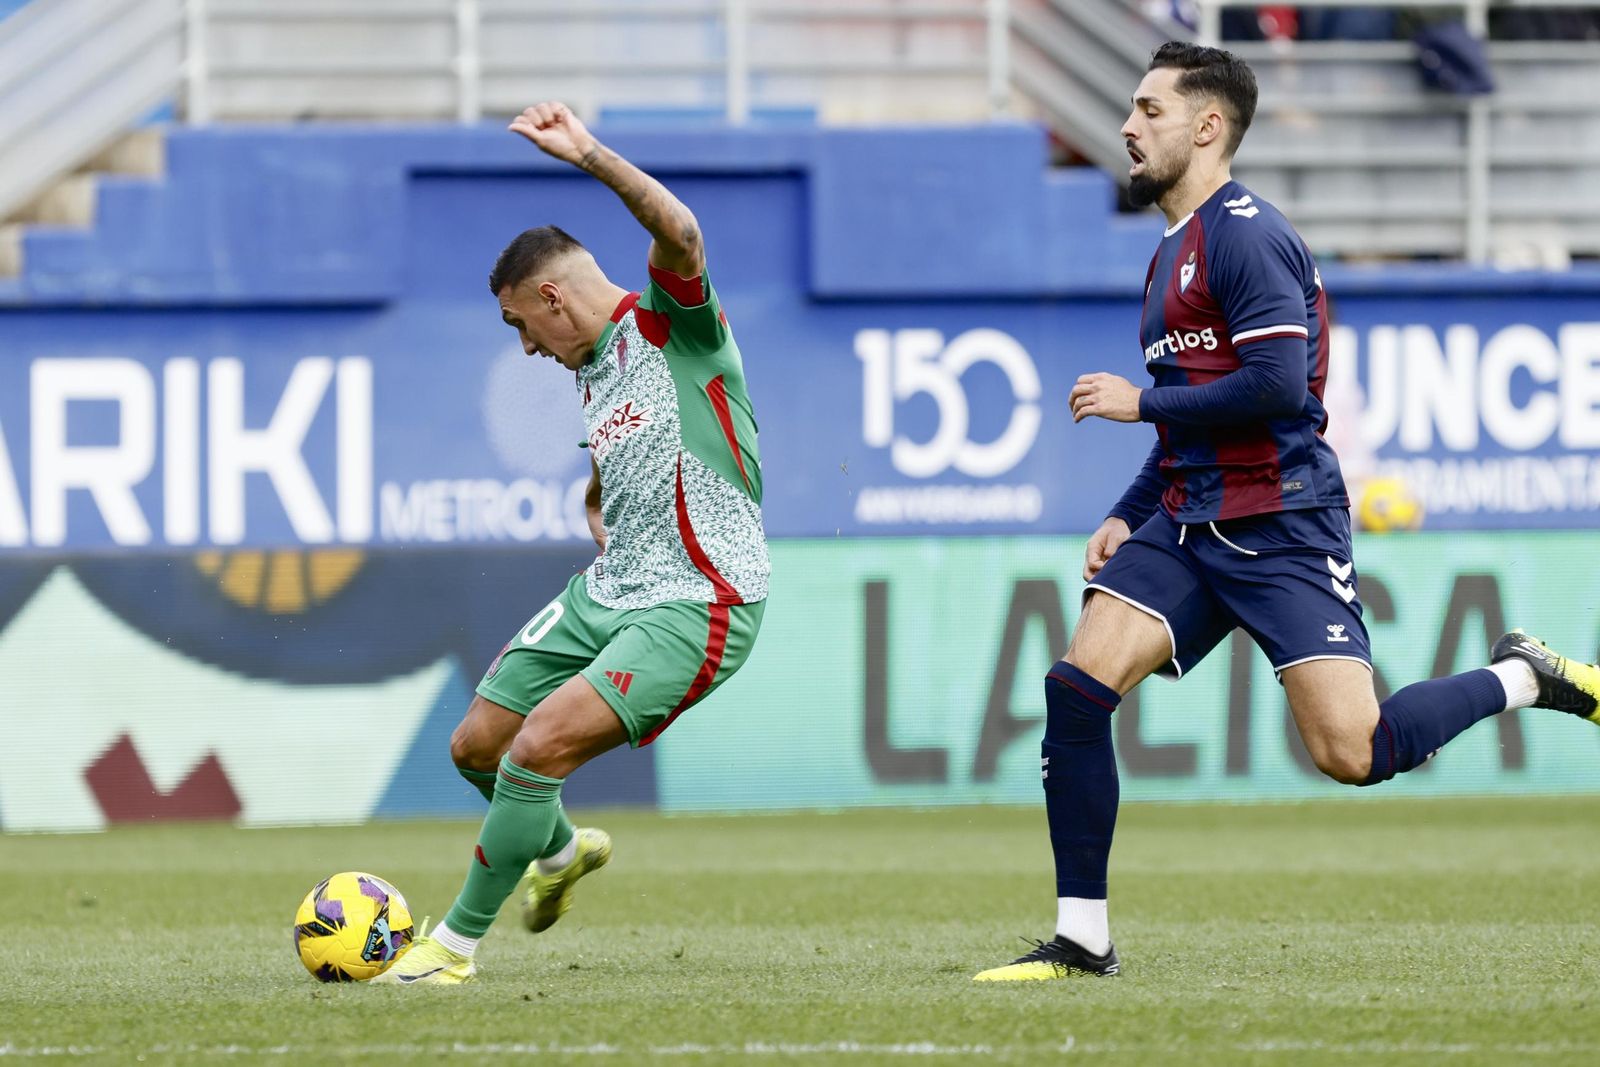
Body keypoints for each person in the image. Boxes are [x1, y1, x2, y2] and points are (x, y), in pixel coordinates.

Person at [973, 43, 1600, 982]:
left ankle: (1522, 675)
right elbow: (1194, 412)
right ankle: (1082, 938)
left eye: (1149, 110)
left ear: (1207, 126)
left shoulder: (1247, 234)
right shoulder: (1169, 255)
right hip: (1188, 521)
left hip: (1283, 525)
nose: (1127, 126)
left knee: (1357, 751)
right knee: (1077, 688)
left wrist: (1135, 401)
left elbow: (1272, 385)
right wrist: (1126, 508)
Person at [378, 102, 769, 985]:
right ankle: (556, 855)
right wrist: (598, 491)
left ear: (552, 296)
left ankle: (454, 950)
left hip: (699, 599)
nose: (524, 348)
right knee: (477, 743)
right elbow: (637, 440)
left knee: (537, 748)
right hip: (614, 585)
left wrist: (587, 152)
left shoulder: (674, 328)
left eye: (521, 325)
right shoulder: (593, 372)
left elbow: (683, 231)